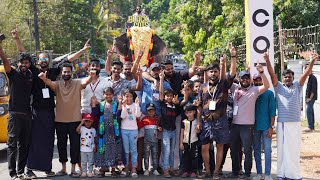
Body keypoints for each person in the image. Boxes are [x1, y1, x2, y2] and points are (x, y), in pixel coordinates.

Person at [11, 27, 92, 178]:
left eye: (45, 58)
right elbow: (24, 55)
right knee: (34, 140)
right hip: (35, 110)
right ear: (38, 61)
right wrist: (17, 39)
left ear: (49, 60)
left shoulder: (55, 71)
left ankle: (47, 168)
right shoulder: (33, 70)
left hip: (49, 111)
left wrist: (83, 50)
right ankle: (30, 169)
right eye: (41, 58)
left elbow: (69, 59)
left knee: (48, 140)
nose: (43, 60)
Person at [265, 50, 319, 179]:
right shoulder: (278, 87)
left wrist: (311, 62)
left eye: (289, 76)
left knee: (293, 150)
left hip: (295, 123)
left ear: (293, 78)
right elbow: (272, 74)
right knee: (282, 149)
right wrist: (267, 60)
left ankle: (293, 174)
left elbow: (305, 75)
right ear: (283, 78)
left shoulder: (297, 86)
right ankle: (281, 174)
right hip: (282, 123)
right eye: (285, 76)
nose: (287, 78)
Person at [38, 63, 94, 177]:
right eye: (64, 72)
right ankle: (63, 168)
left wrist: (91, 77)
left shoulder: (77, 83)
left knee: (75, 145)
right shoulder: (57, 85)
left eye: (68, 72)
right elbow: (50, 83)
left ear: (71, 73)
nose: (66, 74)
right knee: (61, 145)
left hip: (75, 120)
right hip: (60, 120)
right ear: (61, 73)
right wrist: (44, 78)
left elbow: (85, 82)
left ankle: (73, 169)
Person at [197, 45, 237, 179]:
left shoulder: (223, 84)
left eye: (215, 71)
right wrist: (198, 121)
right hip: (206, 121)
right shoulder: (203, 87)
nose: (213, 74)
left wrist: (232, 56)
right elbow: (200, 105)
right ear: (207, 73)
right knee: (204, 148)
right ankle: (207, 171)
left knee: (220, 146)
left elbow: (232, 73)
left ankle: (216, 172)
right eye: (211, 72)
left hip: (221, 120)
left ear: (219, 72)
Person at [230, 61, 269, 179]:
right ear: (239, 79)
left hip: (247, 125)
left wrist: (261, 72)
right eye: (243, 78)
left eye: (247, 78)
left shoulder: (254, 90)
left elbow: (267, 86)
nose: (245, 80)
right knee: (234, 150)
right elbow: (228, 77)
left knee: (247, 150)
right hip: (234, 124)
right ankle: (235, 171)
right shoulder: (235, 88)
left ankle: (247, 173)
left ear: (250, 79)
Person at [1, 43, 33, 180]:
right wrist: (0, 49)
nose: (24, 64)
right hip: (14, 115)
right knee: (12, 144)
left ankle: (21, 172)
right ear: (18, 63)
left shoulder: (31, 76)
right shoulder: (13, 73)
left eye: (26, 62)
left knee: (24, 145)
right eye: (22, 62)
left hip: (27, 115)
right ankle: (13, 173)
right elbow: (6, 62)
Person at [91, 87, 123, 177]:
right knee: (103, 149)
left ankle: (113, 169)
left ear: (113, 95)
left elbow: (118, 114)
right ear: (103, 95)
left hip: (113, 131)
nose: (108, 96)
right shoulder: (100, 104)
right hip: (103, 131)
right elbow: (94, 114)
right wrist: (93, 104)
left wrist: (120, 103)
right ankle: (103, 169)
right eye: (106, 94)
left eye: (110, 94)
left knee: (114, 148)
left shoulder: (115, 104)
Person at [252, 73, 276, 180]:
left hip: (266, 126)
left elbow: (272, 112)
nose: (257, 82)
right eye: (255, 80)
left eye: (259, 80)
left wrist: (271, 126)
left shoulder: (269, 93)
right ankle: (258, 173)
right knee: (256, 150)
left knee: (267, 150)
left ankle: (267, 174)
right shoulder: (252, 93)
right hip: (254, 127)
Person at [159, 70, 181, 178]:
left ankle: (171, 168)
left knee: (172, 150)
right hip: (166, 131)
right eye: (167, 95)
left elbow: (179, 110)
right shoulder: (162, 104)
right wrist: (162, 80)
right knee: (166, 150)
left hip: (173, 130)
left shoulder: (174, 106)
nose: (168, 97)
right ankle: (165, 169)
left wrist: (177, 103)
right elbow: (161, 93)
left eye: (170, 95)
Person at [118, 89, 142, 178]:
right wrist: (123, 106)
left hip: (133, 130)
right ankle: (126, 167)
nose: (129, 98)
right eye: (127, 96)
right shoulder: (122, 105)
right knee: (125, 150)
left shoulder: (135, 105)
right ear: (123, 97)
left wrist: (137, 105)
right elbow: (122, 116)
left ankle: (133, 169)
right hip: (124, 130)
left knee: (133, 150)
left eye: (130, 96)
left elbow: (138, 115)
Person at [137, 103, 160, 176]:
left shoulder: (157, 119)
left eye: (152, 110)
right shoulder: (144, 119)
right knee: (146, 155)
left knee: (155, 155)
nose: (151, 112)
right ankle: (146, 169)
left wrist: (160, 128)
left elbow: (160, 128)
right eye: (149, 111)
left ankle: (155, 169)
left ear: (155, 111)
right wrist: (137, 118)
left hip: (155, 141)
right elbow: (139, 126)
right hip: (146, 141)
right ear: (147, 111)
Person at [180, 104, 200, 178]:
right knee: (186, 157)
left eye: (190, 112)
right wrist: (181, 143)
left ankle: (193, 171)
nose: (189, 114)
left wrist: (198, 130)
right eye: (187, 113)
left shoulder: (196, 122)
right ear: (185, 113)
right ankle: (186, 171)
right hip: (185, 142)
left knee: (194, 157)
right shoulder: (184, 122)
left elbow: (198, 132)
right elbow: (182, 132)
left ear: (194, 112)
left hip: (194, 142)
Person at [76, 113, 97, 178]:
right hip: (83, 149)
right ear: (84, 122)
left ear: (92, 122)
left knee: (91, 161)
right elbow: (77, 130)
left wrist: (95, 146)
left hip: (90, 149)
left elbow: (95, 139)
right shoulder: (82, 128)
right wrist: (81, 123)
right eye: (86, 121)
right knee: (83, 161)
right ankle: (84, 172)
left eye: (89, 121)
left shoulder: (93, 130)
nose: (88, 123)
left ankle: (90, 172)